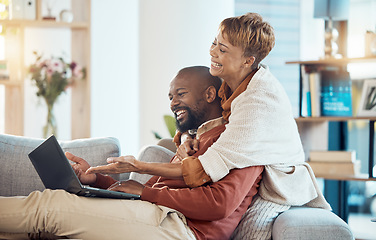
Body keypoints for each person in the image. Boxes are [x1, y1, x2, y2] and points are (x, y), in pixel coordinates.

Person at [87, 12, 331, 240]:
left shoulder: (257, 105)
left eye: (222, 49)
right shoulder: (230, 83)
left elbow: (204, 170)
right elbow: (200, 114)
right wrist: (186, 135)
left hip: (276, 182)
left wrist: (137, 166)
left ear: (248, 60)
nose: (213, 52)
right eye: (214, 43)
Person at [0, 66, 264, 240]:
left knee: (50, 207)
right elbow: (146, 191)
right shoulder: (193, 141)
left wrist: (144, 192)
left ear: (209, 94)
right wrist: (96, 180)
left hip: (182, 231)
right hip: (161, 218)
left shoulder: (240, 140)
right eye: (170, 96)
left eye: (180, 94)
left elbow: (220, 204)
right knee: (40, 224)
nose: (172, 103)